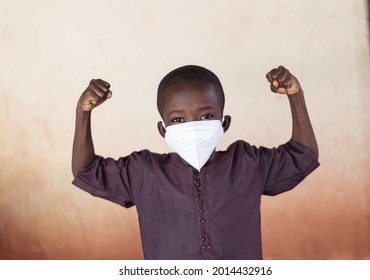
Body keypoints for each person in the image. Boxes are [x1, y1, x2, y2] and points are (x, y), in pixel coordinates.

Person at [72, 65, 319, 260]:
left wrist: (296, 96)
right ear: (163, 129)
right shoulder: (143, 172)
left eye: (207, 116)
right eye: (178, 119)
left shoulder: (247, 163)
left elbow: (303, 155)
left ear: (225, 123)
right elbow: (86, 170)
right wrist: (83, 112)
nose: (193, 126)